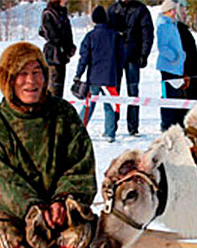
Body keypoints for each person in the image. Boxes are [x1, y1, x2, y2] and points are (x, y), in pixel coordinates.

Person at [0, 42, 97, 248]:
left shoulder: (64, 115)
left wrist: (62, 200)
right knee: (3, 239)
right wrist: (31, 208)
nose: (31, 81)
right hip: (8, 210)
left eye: (36, 72)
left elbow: (81, 164)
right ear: (9, 79)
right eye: (22, 74)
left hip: (57, 211)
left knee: (78, 238)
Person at [74, 6, 124, 143]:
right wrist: (118, 74)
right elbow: (121, 58)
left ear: (94, 19)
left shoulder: (90, 36)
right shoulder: (115, 36)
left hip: (94, 78)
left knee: (88, 104)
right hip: (110, 78)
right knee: (109, 105)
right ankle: (109, 133)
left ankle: (78, 129)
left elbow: (83, 58)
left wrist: (78, 74)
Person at [107, 0, 154, 137]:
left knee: (133, 92)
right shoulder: (112, 10)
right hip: (116, 57)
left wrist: (144, 54)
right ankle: (112, 126)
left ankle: (133, 127)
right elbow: (106, 32)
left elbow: (147, 33)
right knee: (114, 92)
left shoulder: (140, 9)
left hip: (134, 57)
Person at [156, 0, 186, 131]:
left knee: (176, 95)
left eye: (174, 10)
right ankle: (166, 124)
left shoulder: (172, 24)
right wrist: (174, 56)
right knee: (168, 96)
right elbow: (162, 47)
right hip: (168, 66)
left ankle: (176, 123)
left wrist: (181, 55)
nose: (174, 12)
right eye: (171, 10)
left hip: (177, 67)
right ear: (166, 11)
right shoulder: (163, 24)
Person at [40, 0, 76, 98]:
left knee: (59, 88)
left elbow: (67, 32)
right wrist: (63, 47)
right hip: (53, 56)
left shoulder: (62, 13)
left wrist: (70, 47)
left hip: (62, 56)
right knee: (53, 88)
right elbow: (52, 35)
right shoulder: (48, 13)